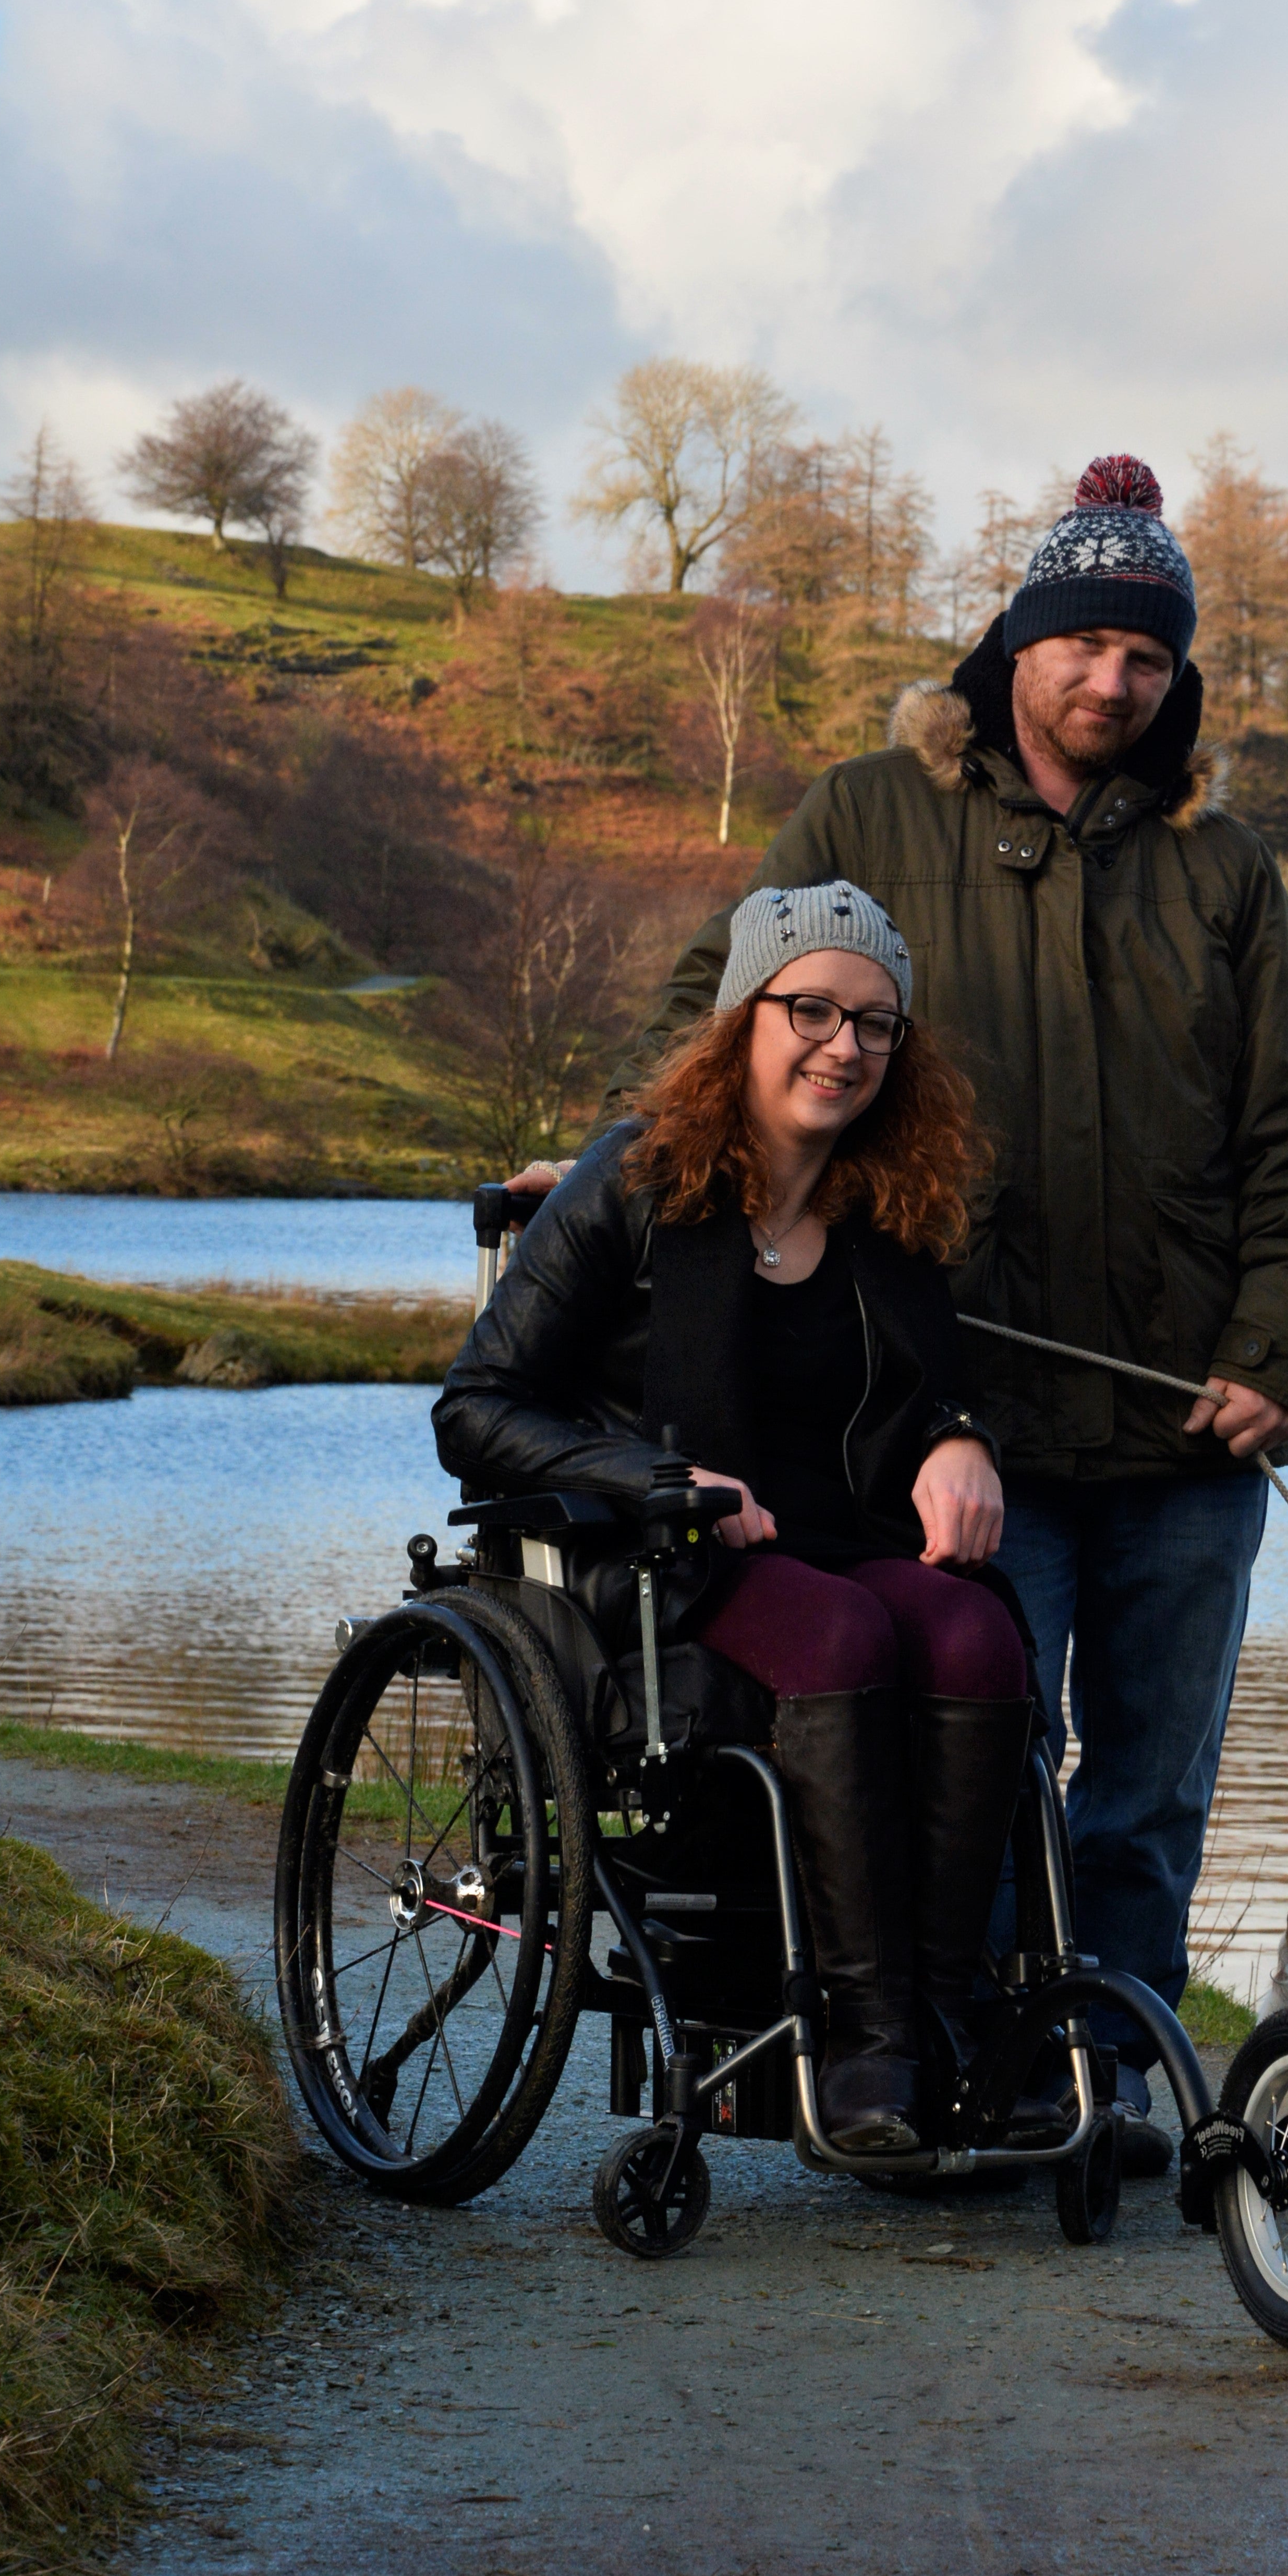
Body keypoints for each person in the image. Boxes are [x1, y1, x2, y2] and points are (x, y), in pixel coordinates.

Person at [526, 455, 1288, 2174]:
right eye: (1082, 646)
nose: (1110, 682)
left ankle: (1105, 2092)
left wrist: (1277, 1358)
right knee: (977, 1761)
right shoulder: (866, 817)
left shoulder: (1222, 871)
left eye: (1146, 658)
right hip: (943, 1415)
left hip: (1186, 1433)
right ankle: (974, 2073)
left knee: (1148, 1796)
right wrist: (637, 1185)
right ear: (1014, 646)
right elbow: (719, 1029)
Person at [435, 879, 1035, 2159]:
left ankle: (949, 2020)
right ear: (741, 1020)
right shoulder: (631, 1184)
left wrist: (961, 1438)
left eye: (874, 1024)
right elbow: (477, 1408)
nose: (843, 1046)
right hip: (664, 1557)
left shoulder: (889, 1210)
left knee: (975, 1634)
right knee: (839, 1639)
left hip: (845, 1544)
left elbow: (935, 1391)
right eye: (810, 1010)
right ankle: (867, 2040)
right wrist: (658, 1481)